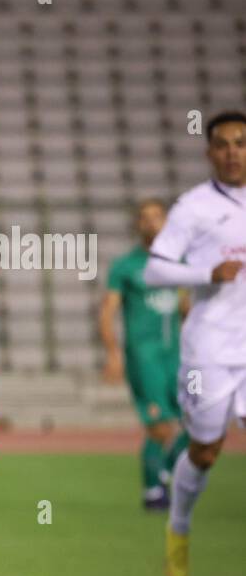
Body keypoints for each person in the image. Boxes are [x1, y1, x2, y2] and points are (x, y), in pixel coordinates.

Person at [142, 111, 246, 576]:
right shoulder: (194, 207)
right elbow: (156, 270)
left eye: (241, 143)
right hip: (210, 347)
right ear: (210, 153)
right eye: (223, 144)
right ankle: (179, 526)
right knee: (205, 451)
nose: (233, 152)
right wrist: (208, 274)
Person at [98, 198, 187, 510]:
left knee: (200, 421)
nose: (152, 223)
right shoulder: (126, 266)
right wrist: (113, 353)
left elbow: (187, 308)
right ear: (137, 225)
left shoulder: (179, 264)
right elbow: (107, 311)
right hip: (144, 357)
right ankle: (154, 490)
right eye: (145, 218)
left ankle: (162, 472)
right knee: (159, 426)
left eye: (157, 217)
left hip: (176, 356)